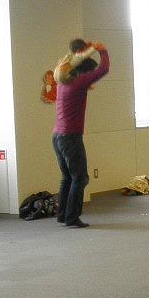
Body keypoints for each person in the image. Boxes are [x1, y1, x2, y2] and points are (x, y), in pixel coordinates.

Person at [51, 38, 110, 228]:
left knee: (67, 176)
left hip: (57, 136)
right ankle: (72, 217)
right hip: (70, 137)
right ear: (84, 72)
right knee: (80, 177)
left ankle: (62, 215)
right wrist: (102, 51)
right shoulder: (78, 82)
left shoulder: (63, 82)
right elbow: (103, 69)